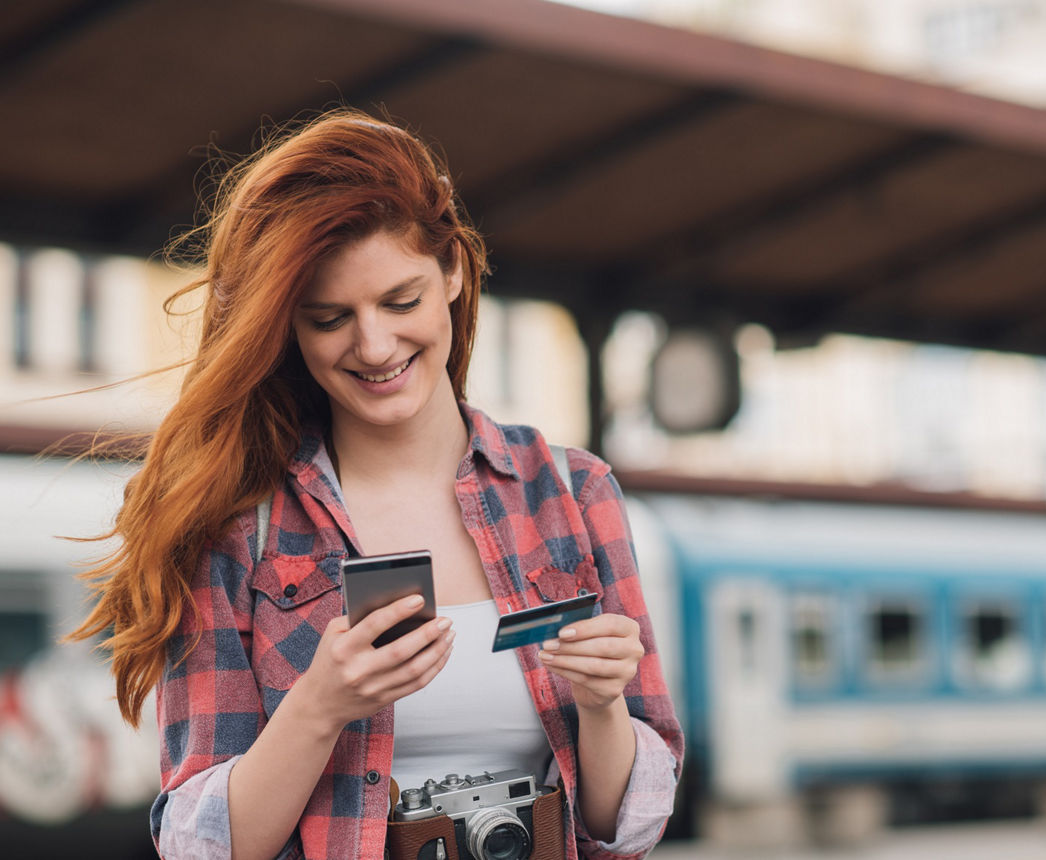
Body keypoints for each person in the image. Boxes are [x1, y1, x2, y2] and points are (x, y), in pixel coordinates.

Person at [69, 109, 683, 860]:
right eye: (330, 319)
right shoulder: (235, 524)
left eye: (401, 301)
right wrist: (321, 705)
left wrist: (602, 703)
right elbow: (203, 846)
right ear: (287, 327)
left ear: (453, 271)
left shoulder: (574, 492)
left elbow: (626, 828)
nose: (374, 345)